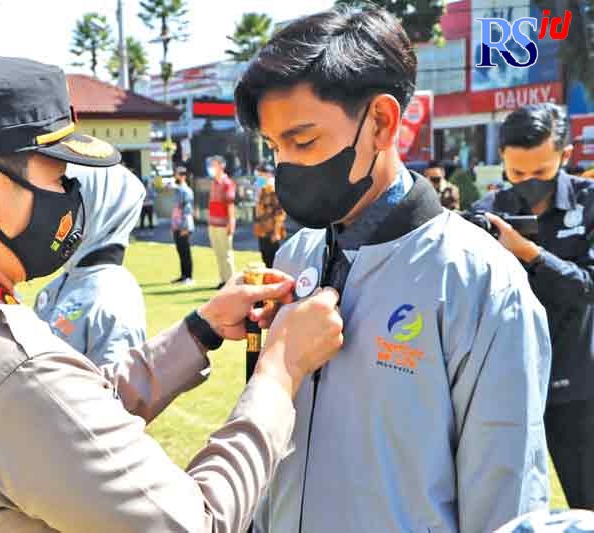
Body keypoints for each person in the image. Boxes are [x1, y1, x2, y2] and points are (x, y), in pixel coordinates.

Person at [0, 56, 347, 533]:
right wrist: (279, 372)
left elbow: (65, 426)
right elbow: (195, 524)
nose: (70, 196)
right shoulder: (13, 370)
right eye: (57, 178)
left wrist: (199, 330)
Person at [234, 7, 551, 532]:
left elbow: (506, 494)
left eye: (303, 141)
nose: (284, 167)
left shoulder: (479, 279)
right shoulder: (294, 259)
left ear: (381, 121)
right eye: (274, 146)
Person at [473, 103, 594, 511]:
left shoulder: (588, 203)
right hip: (506, 380)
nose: (529, 185)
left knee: (587, 500)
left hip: (576, 382)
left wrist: (529, 253)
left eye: (541, 173)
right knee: (507, 503)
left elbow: (586, 288)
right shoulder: (490, 210)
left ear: (565, 154)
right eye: (517, 173)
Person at [33, 163, 147, 366]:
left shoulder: (113, 301)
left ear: (100, 208)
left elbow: (117, 393)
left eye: (69, 204)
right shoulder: (61, 283)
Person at [207, 155, 236, 289]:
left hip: (223, 224)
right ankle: (223, 280)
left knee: (226, 254)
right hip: (213, 224)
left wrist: (231, 222)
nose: (212, 168)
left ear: (221, 166)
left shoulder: (227, 183)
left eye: (214, 165)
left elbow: (230, 204)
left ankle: (230, 282)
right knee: (218, 253)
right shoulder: (214, 182)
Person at [253, 162, 286, 268]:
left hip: (272, 230)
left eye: (260, 174)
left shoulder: (274, 188)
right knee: (265, 257)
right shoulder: (261, 188)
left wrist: (276, 231)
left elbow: (279, 212)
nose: (259, 177)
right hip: (262, 229)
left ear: (268, 174)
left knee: (273, 258)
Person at [170, 165, 195, 284]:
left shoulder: (186, 191)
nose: (176, 176)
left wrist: (185, 226)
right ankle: (183, 275)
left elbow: (187, 210)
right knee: (180, 250)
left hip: (183, 224)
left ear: (183, 176)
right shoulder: (177, 190)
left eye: (178, 174)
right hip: (177, 224)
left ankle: (189, 276)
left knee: (185, 251)